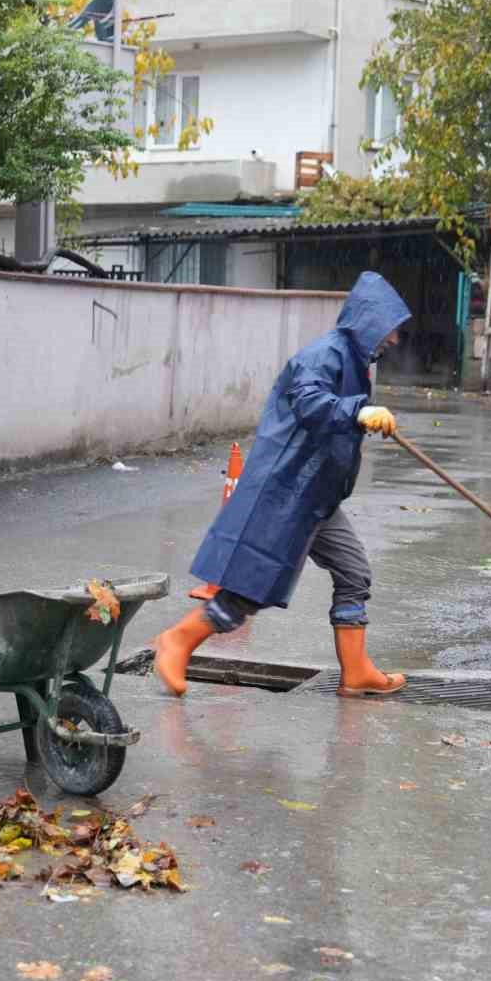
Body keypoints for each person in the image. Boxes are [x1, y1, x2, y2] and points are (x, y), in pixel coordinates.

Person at [154, 270, 412, 699]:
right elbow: (312, 403)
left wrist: (360, 414)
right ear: (368, 322)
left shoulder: (356, 362)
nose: (394, 341)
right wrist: (356, 413)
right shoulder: (324, 355)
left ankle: (357, 672)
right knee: (251, 588)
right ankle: (178, 640)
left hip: (317, 496)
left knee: (354, 572)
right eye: (390, 331)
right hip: (286, 494)